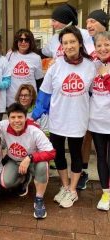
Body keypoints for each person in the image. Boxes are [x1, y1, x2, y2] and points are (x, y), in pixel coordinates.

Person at [32, 26, 96, 208]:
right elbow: (44, 94)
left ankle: (73, 190)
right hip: (57, 119)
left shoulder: (90, 66)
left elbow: (94, 94)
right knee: (58, 154)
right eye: (65, 42)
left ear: (80, 43)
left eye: (72, 42)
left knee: (76, 154)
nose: (69, 46)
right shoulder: (56, 66)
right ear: (61, 46)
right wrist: (34, 116)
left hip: (78, 119)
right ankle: (65, 186)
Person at [0, 103, 55, 219]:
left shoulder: (34, 131)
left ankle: (39, 200)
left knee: (43, 166)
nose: (16, 121)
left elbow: (51, 152)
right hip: (14, 160)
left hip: (33, 161)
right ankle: (24, 178)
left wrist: (30, 158)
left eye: (20, 117)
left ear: (25, 118)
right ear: (8, 118)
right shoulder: (3, 125)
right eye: (13, 117)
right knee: (5, 183)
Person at [77, 9, 109, 190]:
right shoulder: (86, 44)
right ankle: (83, 171)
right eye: (87, 22)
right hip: (90, 101)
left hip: (103, 102)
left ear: (103, 23)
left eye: (92, 21)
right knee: (85, 138)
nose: (88, 25)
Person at [88, 31, 110, 211]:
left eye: (107, 44)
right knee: (101, 156)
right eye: (99, 45)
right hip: (97, 120)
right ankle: (105, 192)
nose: (103, 48)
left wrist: (105, 75)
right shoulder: (92, 65)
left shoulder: (101, 69)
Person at [15, 84, 56, 170]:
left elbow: (46, 135)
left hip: (36, 144)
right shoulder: (14, 111)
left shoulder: (41, 112)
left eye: (26, 95)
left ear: (32, 97)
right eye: (21, 95)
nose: (23, 98)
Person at [6, 29, 43, 107]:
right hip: (12, 100)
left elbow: (39, 81)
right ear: (17, 41)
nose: (23, 42)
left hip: (29, 101)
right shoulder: (9, 55)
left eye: (26, 40)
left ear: (30, 42)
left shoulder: (36, 58)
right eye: (20, 39)